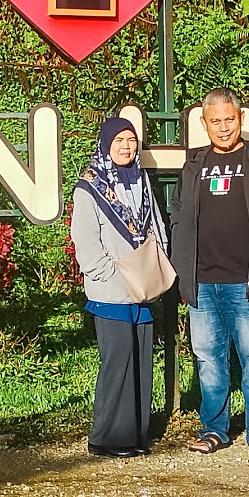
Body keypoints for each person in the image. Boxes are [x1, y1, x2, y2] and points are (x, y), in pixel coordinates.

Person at [169, 88, 249, 455]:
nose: (223, 127)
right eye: (215, 121)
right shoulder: (193, 166)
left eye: (230, 119)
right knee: (208, 360)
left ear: (241, 120)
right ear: (204, 124)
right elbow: (178, 215)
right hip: (203, 282)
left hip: (247, 281)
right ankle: (214, 429)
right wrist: (181, 266)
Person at [70, 116, 167, 458]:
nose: (126, 147)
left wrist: (158, 259)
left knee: (140, 360)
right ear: (105, 145)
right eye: (119, 141)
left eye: (131, 140)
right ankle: (107, 437)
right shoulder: (89, 187)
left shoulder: (141, 180)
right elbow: (85, 237)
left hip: (142, 286)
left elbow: (155, 226)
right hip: (110, 289)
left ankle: (135, 434)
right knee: (118, 361)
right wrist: (108, 272)